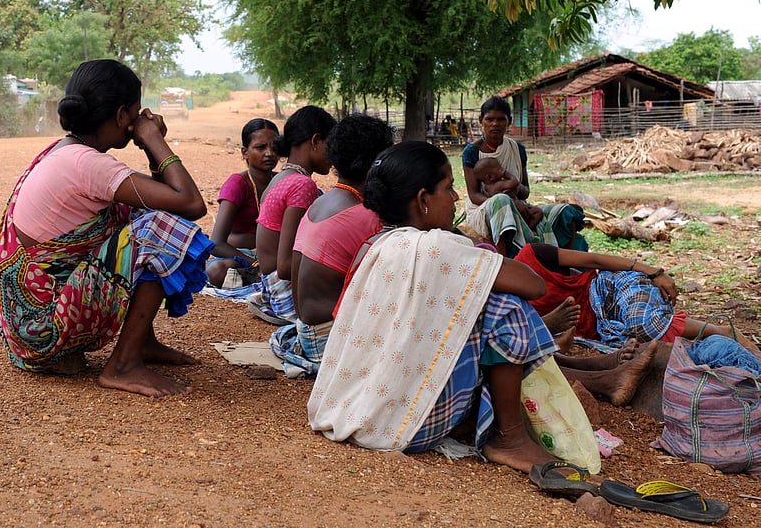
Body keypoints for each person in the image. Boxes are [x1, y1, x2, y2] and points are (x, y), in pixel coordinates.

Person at [308, 142, 654, 472]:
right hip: (399, 427)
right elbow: (533, 284)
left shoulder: (380, 242)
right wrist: (477, 250)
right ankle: (509, 437)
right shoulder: (436, 246)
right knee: (503, 304)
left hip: (352, 411)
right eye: (448, 188)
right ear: (423, 199)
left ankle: (565, 388)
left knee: (472, 301)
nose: (457, 197)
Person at [0, 59, 214, 398]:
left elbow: (163, 199)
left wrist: (151, 150)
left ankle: (143, 343)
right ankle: (123, 365)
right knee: (161, 231)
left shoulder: (67, 150)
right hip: (43, 329)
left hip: (29, 320)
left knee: (141, 217)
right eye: (137, 114)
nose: (140, 121)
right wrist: (154, 139)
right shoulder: (89, 165)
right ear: (122, 115)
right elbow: (191, 204)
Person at [269, 115, 393, 377]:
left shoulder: (322, 202)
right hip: (329, 341)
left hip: (308, 332)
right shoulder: (366, 216)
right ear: (376, 163)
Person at [515, 243, 761, 356]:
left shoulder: (532, 255)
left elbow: (596, 261)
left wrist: (652, 271)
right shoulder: (506, 308)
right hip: (604, 330)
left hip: (610, 290)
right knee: (638, 347)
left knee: (641, 324)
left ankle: (723, 331)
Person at [462, 96, 586, 256]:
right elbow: (474, 196)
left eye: (501, 119)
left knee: (564, 211)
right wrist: (509, 204)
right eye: (489, 119)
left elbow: (526, 191)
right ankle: (505, 261)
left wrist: (515, 189)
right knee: (501, 200)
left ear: (509, 121)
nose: (495, 124)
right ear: (481, 120)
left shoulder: (517, 149)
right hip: (484, 210)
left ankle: (562, 261)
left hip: (519, 204)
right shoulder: (472, 152)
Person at [248, 105, 336, 326]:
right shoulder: (302, 185)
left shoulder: (281, 177)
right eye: (330, 145)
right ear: (315, 141)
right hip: (285, 293)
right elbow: (287, 266)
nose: (333, 155)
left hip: (270, 288)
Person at [204, 118, 279, 289]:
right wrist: (254, 264)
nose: (269, 153)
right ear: (245, 152)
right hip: (241, 256)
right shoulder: (237, 183)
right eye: (261, 148)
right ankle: (265, 280)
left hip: (273, 256)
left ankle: (263, 280)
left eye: (274, 147)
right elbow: (216, 243)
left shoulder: (281, 180)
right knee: (217, 270)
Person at [472, 156, 543, 230]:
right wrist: (507, 173)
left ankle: (527, 230)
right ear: (490, 177)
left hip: (515, 208)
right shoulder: (496, 186)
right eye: (500, 169)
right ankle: (529, 230)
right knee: (538, 212)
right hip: (514, 209)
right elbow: (514, 182)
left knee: (536, 212)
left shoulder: (490, 186)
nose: (503, 169)